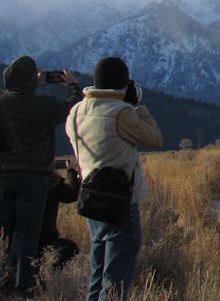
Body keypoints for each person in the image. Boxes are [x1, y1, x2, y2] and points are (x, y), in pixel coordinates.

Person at [66, 57, 162, 301]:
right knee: (115, 283)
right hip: (120, 202)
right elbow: (154, 138)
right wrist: (138, 106)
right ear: (123, 84)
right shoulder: (121, 113)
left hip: (91, 200)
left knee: (97, 276)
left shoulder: (76, 112)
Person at [0, 56, 82, 295]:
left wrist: (28, 84)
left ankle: (6, 278)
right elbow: (72, 108)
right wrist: (73, 86)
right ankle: (23, 287)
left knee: (8, 231)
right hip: (33, 179)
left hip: (3, 177)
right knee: (27, 233)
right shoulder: (42, 106)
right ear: (29, 80)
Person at [39, 161, 81, 267]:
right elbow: (72, 195)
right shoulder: (51, 183)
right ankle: (50, 274)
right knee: (71, 248)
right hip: (46, 240)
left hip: (20, 240)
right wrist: (72, 171)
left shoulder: (20, 181)